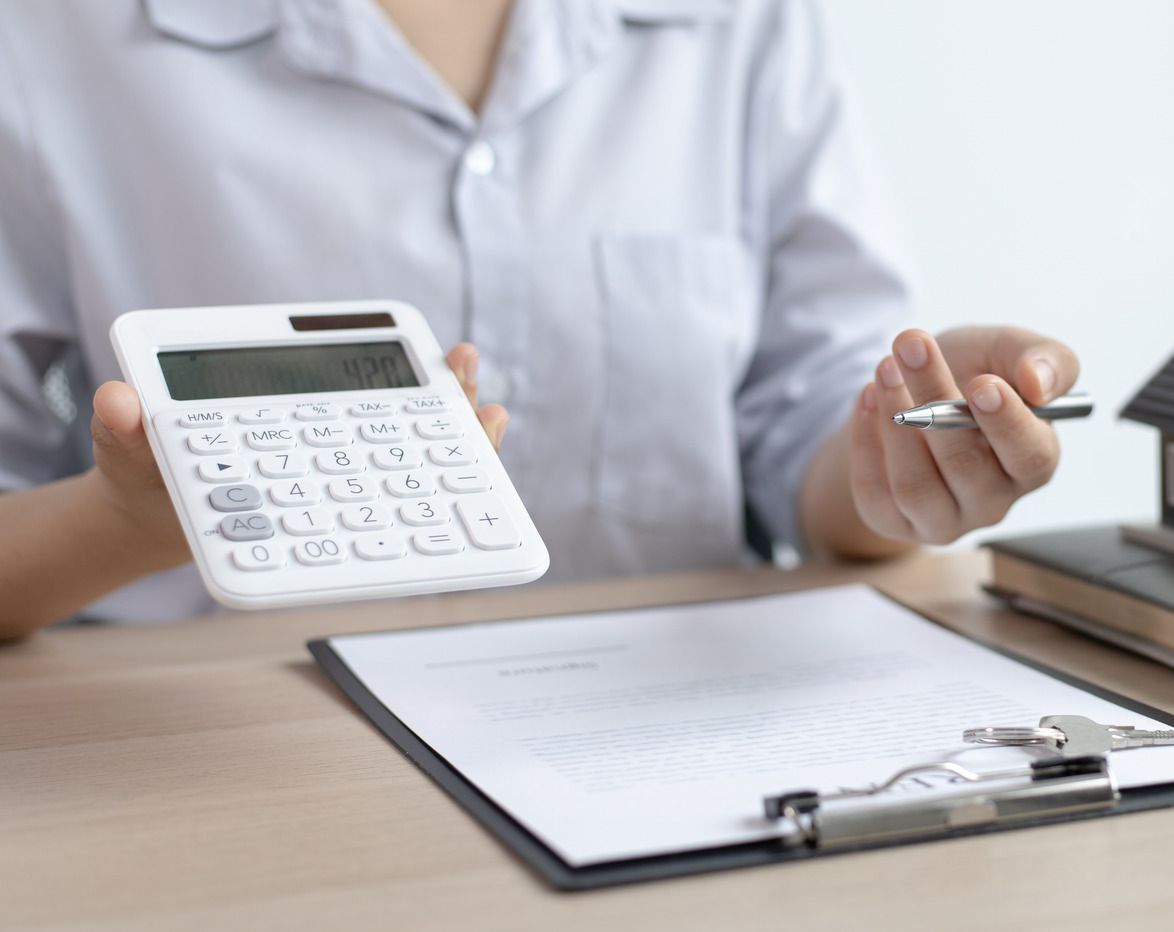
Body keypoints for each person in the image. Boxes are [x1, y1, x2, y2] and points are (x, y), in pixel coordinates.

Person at [0, 0, 1078, 640]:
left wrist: (900, 454)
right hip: (229, 768)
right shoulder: (49, 39)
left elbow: (806, 438)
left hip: (666, 736)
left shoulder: (743, 23)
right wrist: (131, 523)